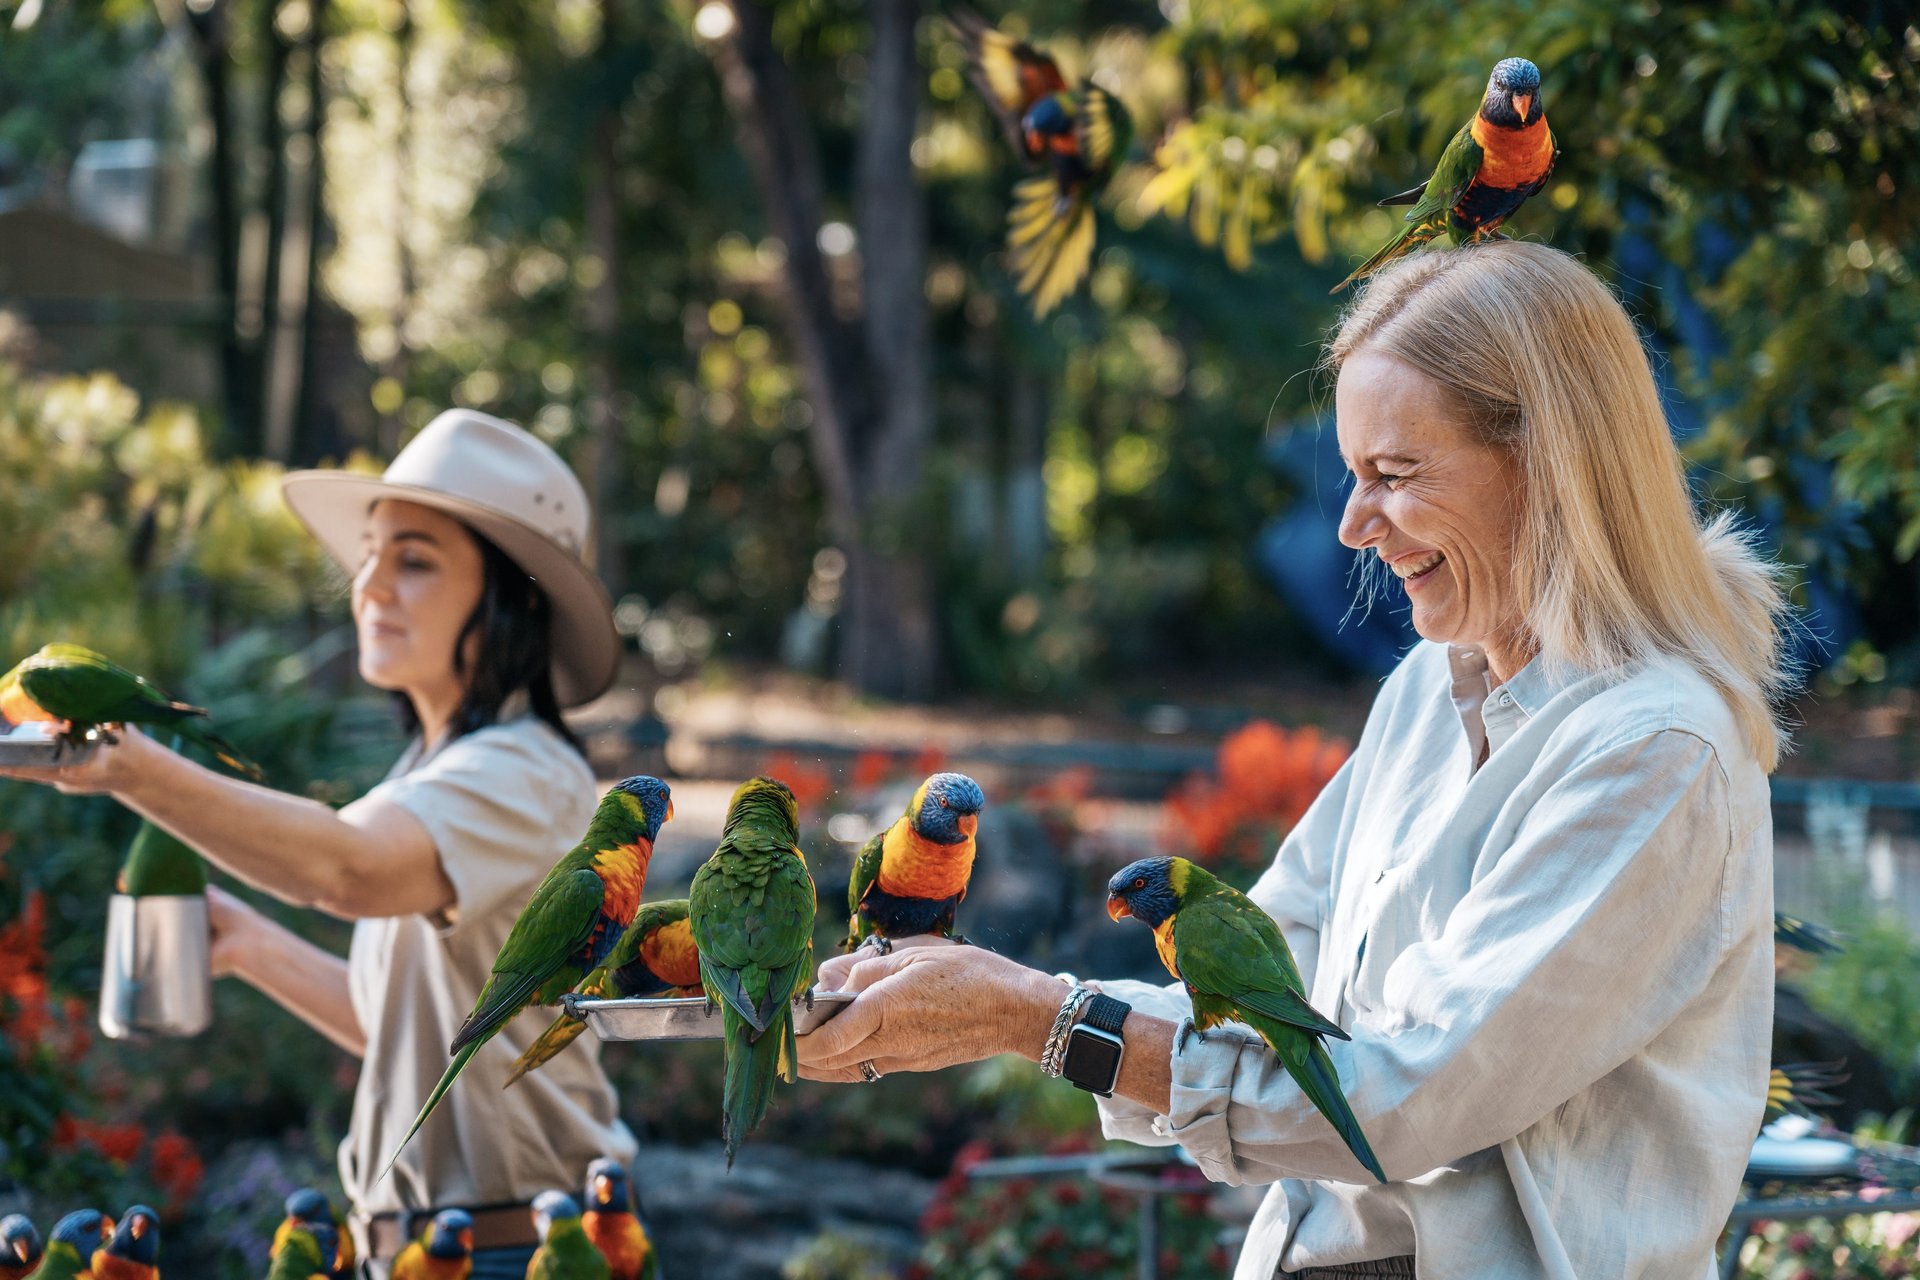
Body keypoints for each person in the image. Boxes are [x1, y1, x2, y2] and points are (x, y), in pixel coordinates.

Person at [797, 242, 1790, 1279]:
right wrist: (985, 1000)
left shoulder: (1655, 749)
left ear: (1549, 464)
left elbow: (1404, 1098)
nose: (1357, 524)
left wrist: (1036, 1017)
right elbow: (1273, 1004)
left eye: (1394, 475)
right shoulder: (1424, 691)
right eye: (1354, 475)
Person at [0, 410, 638, 1279]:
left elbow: (345, 868)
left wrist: (130, 766)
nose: (369, 584)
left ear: (511, 600)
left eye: (414, 560)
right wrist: (246, 941)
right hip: (422, 1252)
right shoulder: (434, 771)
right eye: (371, 554)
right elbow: (409, 1030)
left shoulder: (526, 771)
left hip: (526, 1250)